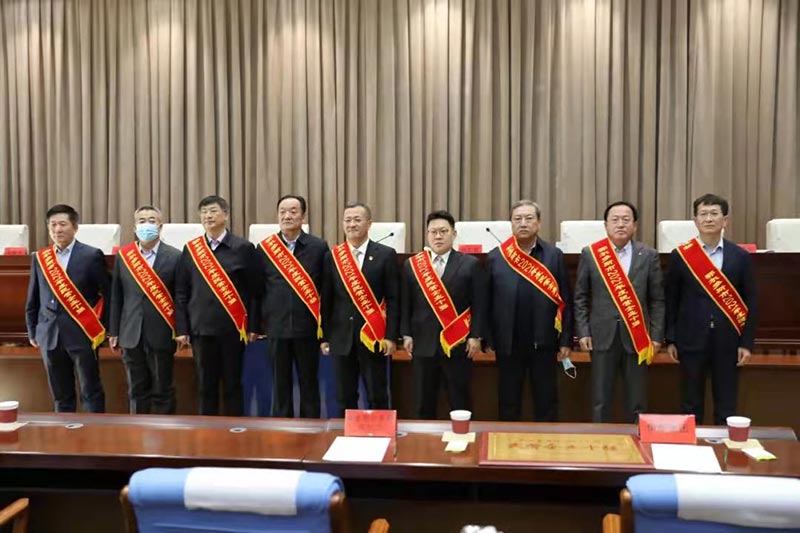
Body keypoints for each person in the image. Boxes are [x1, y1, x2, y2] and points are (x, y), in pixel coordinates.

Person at [666, 193, 757, 425]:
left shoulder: (740, 257)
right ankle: (691, 445)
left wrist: (746, 343)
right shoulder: (681, 256)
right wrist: (671, 339)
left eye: (714, 214)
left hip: (728, 341)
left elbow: (750, 301)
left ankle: (725, 446)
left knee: (726, 403)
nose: (709, 219)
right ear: (695, 220)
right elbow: (671, 299)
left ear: (725, 220)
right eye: (703, 214)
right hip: (690, 339)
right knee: (690, 402)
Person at [574, 201, 665, 423]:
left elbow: (657, 300)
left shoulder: (649, 255)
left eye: (626, 220)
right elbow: (581, 297)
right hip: (602, 336)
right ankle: (599, 439)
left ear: (635, 225)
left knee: (637, 401)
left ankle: (636, 441)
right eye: (615, 220)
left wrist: (656, 336)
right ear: (606, 225)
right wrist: (583, 331)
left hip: (637, 337)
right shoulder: (591, 254)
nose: (620, 224)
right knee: (600, 400)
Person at [486, 200, 573, 421]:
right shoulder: (496, 257)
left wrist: (565, 340)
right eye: (518, 219)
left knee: (546, 402)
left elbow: (565, 300)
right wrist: (489, 339)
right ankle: (505, 443)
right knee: (508, 402)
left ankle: (547, 442)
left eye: (529, 218)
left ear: (539, 222)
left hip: (544, 343)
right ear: (511, 223)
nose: (523, 223)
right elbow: (487, 301)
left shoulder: (554, 255)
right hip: (508, 344)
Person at [175, 195, 259, 416]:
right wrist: (182, 328)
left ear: (226, 215)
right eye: (204, 212)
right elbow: (182, 291)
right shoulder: (192, 249)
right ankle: (207, 430)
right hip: (201, 329)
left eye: (213, 211)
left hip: (233, 329)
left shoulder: (243, 248)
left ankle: (235, 428)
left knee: (233, 384)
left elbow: (255, 291)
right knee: (205, 385)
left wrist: (254, 326)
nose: (208, 216)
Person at [401, 210, 486, 419]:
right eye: (433, 232)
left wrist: (476, 336)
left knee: (459, 400)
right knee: (422, 401)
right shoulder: (412, 265)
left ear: (454, 234)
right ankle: (423, 439)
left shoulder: (470, 264)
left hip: (458, 343)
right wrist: (406, 334)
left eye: (443, 231)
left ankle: (463, 436)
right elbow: (405, 303)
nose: (438, 236)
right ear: (427, 234)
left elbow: (480, 304)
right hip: (422, 343)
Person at [25, 204, 109, 412]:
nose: (57, 229)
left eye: (62, 224)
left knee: (90, 391)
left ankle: (94, 429)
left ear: (75, 227)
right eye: (53, 225)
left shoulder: (91, 255)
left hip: (82, 333)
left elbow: (108, 295)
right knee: (61, 395)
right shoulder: (40, 258)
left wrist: (104, 328)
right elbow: (33, 297)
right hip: (49, 335)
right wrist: (32, 330)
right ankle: (62, 430)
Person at [253, 194, 329, 418]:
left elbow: (325, 289)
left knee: (309, 384)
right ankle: (282, 430)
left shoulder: (318, 247)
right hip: (276, 328)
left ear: (303, 216)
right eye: (282, 212)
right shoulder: (265, 248)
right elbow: (258, 291)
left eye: (293, 211)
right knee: (280, 386)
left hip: (308, 328)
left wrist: (326, 330)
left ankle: (312, 430)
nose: (287, 216)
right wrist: (256, 326)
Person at [321, 202, 399, 411]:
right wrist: (326, 337)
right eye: (347, 220)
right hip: (341, 338)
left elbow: (394, 299)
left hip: (374, 337)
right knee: (344, 397)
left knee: (377, 395)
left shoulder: (386, 254)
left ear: (369, 223)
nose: (352, 224)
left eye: (357, 219)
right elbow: (327, 300)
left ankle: (380, 431)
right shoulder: (333, 257)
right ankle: (347, 432)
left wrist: (391, 336)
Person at [109, 205, 182, 414]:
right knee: (136, 389)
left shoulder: (175, 256)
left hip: (162, 332)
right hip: (130, 333)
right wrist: (114, 331)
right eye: (142, 221)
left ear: (160, 226)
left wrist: (181, 330)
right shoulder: (124, 256)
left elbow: (180, 297)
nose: (146, 225)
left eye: (152, 220)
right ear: (134, 227)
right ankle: (137, 430)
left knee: (163, 389)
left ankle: (164, 430)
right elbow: (116, 297)